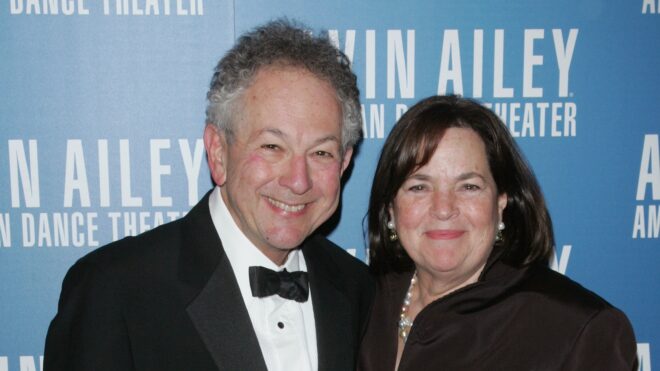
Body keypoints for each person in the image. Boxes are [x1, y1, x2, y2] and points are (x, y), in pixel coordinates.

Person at [44, 19, 374, 371]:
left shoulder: (359, 290)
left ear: (343, 164)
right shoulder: (114, 291)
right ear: (218, 152)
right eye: (272, 146)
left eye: (321, 153)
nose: (298, 181)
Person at [358, 95, 637, 370]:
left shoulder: (578, 329)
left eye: (469, 186)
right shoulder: (358, 303)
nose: (443, 209)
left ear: (501, 203)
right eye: (419, 187)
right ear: (391, 208)